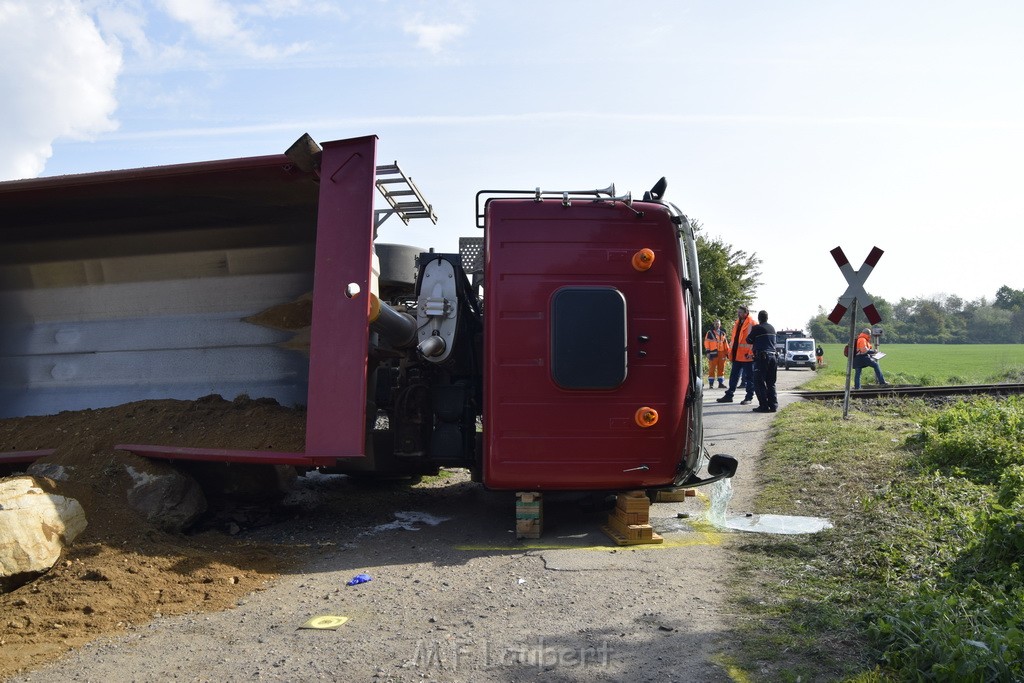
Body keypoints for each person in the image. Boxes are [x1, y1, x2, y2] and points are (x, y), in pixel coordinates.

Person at [716, 305, 755, 404]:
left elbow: (754, 341)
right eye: (738, 312)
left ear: (746, 313)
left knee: (749, 378)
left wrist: (751, 353)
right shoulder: (737, 323)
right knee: (734, 376)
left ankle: (749, 397)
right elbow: (734, 340)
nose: (738, 314)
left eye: (740, 312)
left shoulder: (752, 323)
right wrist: (730, 352)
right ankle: (729, 395)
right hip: (737, 355)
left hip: (747, 356)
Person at [747, 310, 778, 412]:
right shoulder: (772, 328)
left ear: (759, 318)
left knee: (759, 382)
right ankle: (773, 406)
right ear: (767, 318)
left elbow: (748, 340)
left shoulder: (757, 328)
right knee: (771, 382)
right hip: (773, 357)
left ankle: (764, 406)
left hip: (762, 357)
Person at [703, 320, 730, 389]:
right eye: (715, 324)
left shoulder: (723, 333)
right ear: (713, 325)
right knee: (712, 368)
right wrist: (708, 352)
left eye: (718, 324)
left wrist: (727, 353)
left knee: (721, 368)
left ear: (720, 325)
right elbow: (706, 343)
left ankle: (720, 383)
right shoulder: (709, 333)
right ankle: (711, 384)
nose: (717, 325)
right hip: (713, 353)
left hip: (722, 353)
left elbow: (725, 344)